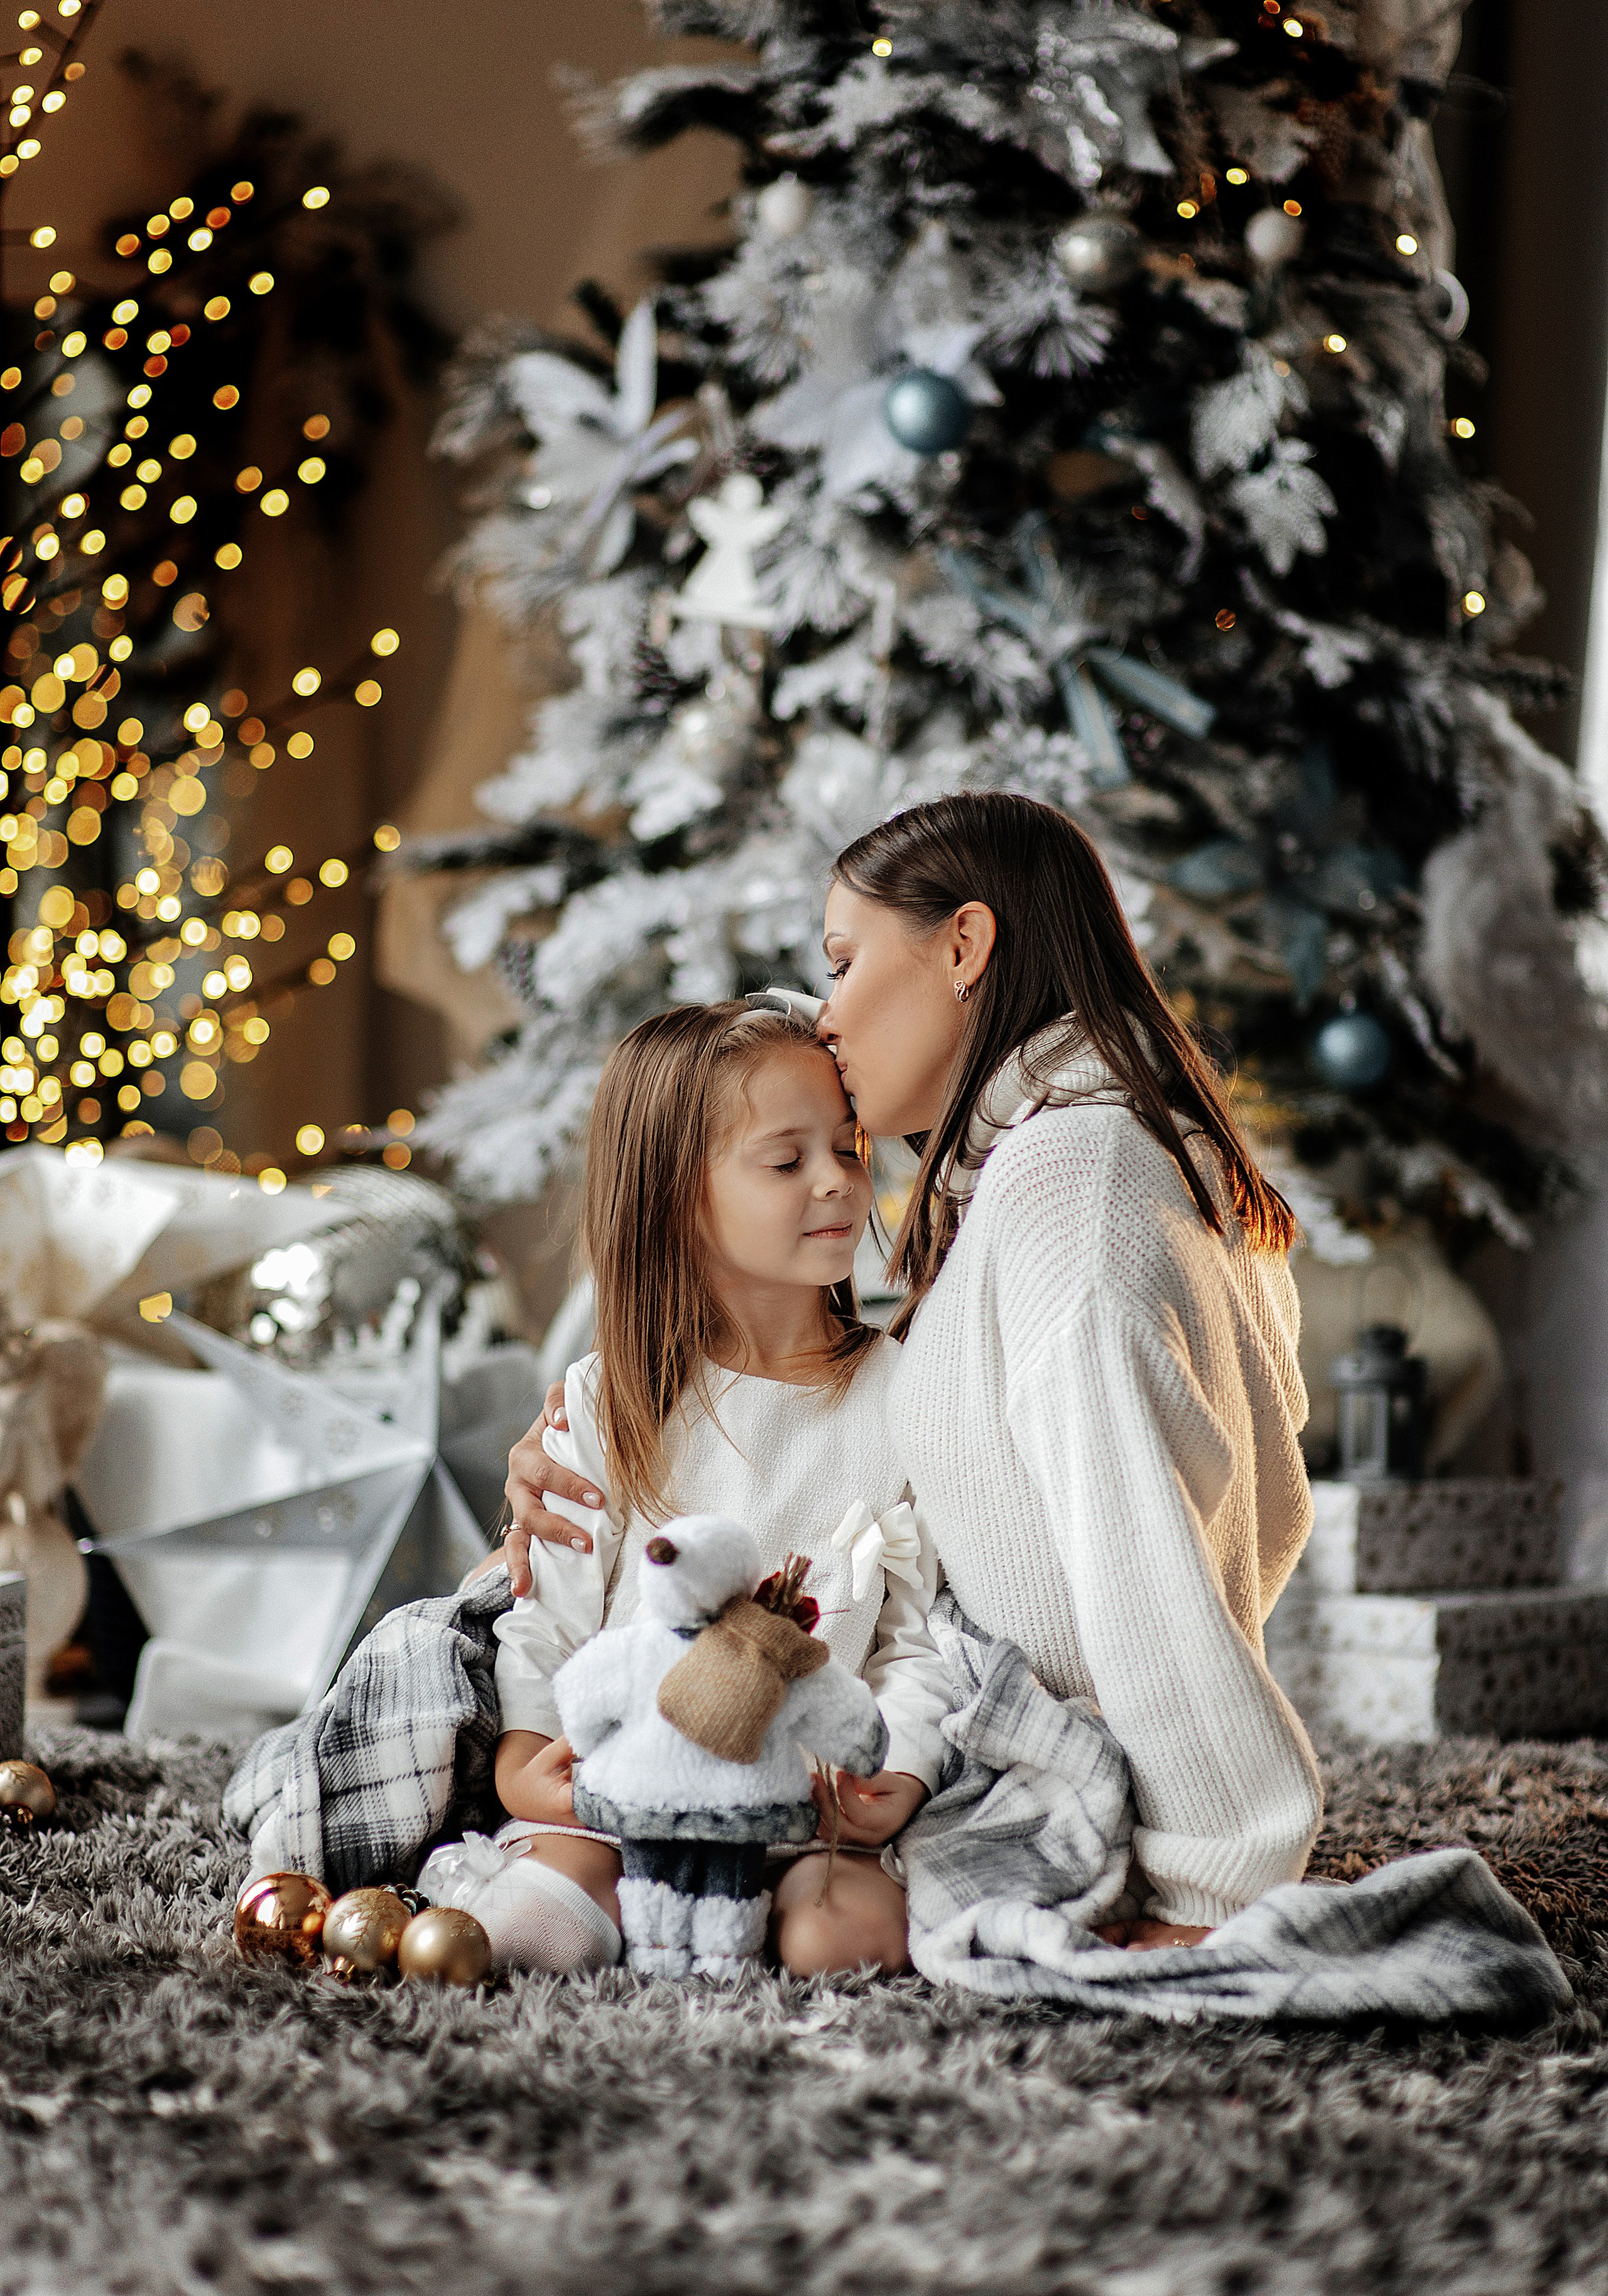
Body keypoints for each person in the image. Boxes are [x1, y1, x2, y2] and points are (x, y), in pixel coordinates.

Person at [504, 793, 1324, 1951]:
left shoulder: (1070, 1198)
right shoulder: (1058, 1141)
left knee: (829, 1930)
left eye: (840, 965)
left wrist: (1210, 1890)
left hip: (1024, 1755)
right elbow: (751, 1089)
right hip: (943, 1725)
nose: (828, 1015)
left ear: (964, 946)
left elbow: (1150, 1563)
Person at [467, 999, 948, 1976]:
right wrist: (526, 1762)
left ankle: (758, 1916)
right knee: (540, 1920)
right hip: (627, 1792)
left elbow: (918, 1634)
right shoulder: (613, 1399)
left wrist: (901, 1765)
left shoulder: (908, 1395)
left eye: (850, 1150)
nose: (838, 1184)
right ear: (678, 1196)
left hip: (811, 1812)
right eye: (787, 1161)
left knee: (834, 1943)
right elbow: (546, 1613)